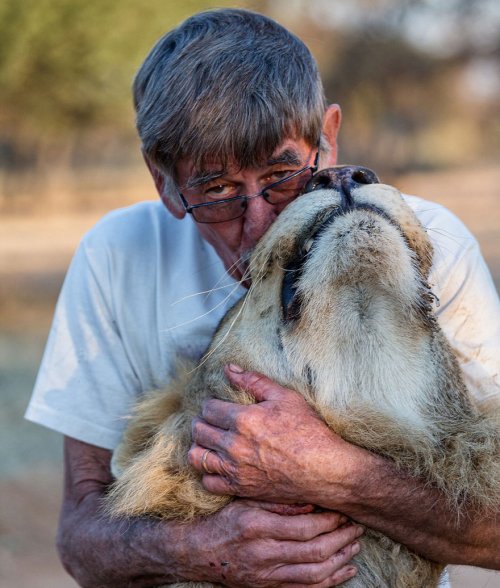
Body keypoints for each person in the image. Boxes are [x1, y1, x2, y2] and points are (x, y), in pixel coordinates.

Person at [25, 8, 500, 588]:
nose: (258, 224)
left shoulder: (423, 242)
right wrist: (196, 548)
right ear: (163, 181)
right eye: (219, 191)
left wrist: (333, 474)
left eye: (282, 176)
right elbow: (79, 543)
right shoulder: (117, 254)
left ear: (327, 137)